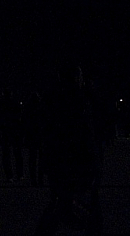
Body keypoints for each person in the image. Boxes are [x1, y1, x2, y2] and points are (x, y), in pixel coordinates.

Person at [35, 65, 103, 235]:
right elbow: (86, 135)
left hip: (59, 161)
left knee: (60, 202)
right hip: (76, 161)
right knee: (85, 204)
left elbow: (46, 132)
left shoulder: (52, 100)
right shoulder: (80, 101)